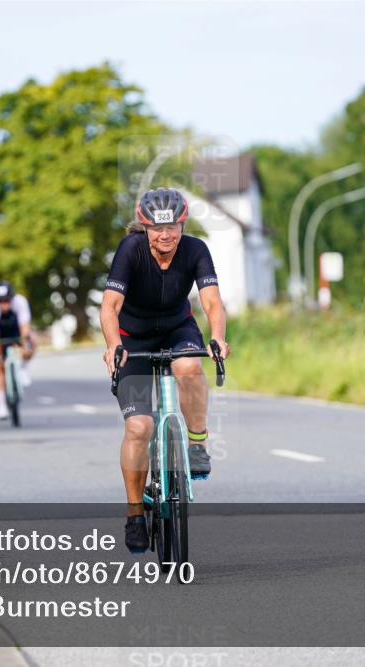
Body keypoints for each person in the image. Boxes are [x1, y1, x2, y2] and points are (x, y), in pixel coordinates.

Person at [99, 188, 231, 553]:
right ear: (144, 228)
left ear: (182, 224)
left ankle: (197, 442)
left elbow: (212, 302)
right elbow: (110, 307)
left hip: (177, 329)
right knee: (139, 426)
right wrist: (113, 345)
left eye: (172, 226)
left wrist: (218, 337)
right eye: (157, 229)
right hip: (132, 338)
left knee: (189, 365)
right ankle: (135, 512)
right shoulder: (130, 251)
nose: (165, 235)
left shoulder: (195, 250)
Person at [0, 281, 35, 419]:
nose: (4, 304)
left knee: (32, 340)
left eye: (6, 300)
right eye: (0, 301)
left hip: (15, 331)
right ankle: (1, 405)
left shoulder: (20, 303)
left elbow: (24, 328)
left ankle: (23, 368)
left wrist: (25, 349)